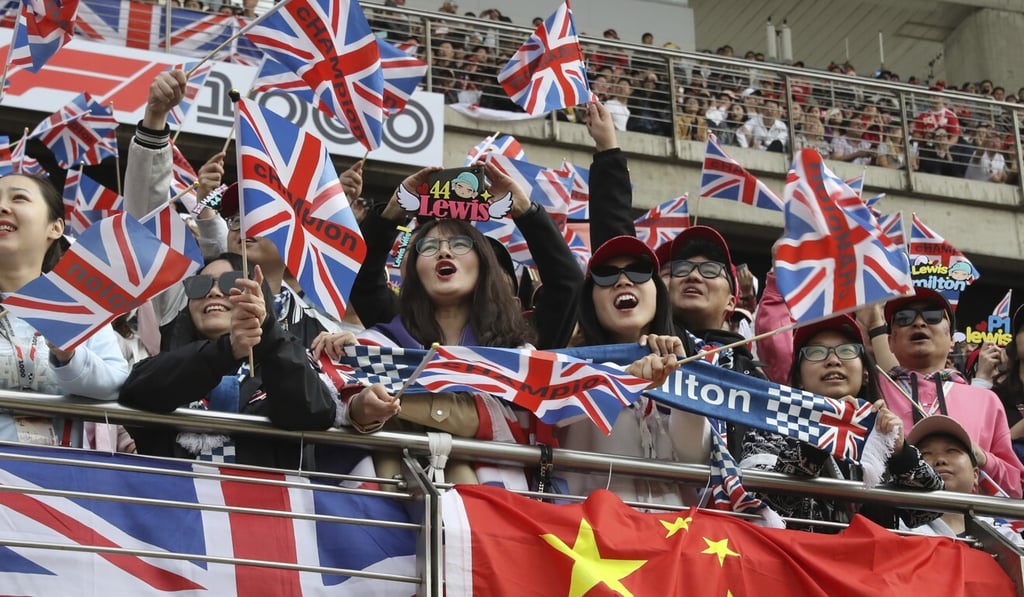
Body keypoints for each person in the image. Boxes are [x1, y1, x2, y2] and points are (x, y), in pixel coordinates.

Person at [119, 254, 340, 466]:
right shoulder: (165, 364)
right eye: (200, 284)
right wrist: (227, 351)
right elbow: (134, 394)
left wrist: (267, 335)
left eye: (229, 283)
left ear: (258, 297)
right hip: (175, 501)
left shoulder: (288, 357)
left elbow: (313, 412)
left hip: (262, 503)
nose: (213, 292)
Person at [741, 315, 943, 530]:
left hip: (875, 561)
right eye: (816, 352)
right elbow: (760, 504)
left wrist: (901, 455)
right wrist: (823, 437)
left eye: (847, 351)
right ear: (798, 377)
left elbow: (929, 512)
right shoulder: (772, 427)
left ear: (865, 373)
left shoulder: (879, 433)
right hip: (797, 558)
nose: (833, 360)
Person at [0, 173, 130, 446]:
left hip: (58, 480)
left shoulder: (78, 307)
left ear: (56, 227)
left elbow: (116, 384)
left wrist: (69, 356)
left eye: (19, 197)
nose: (2, 207)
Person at [862, 287, 1024, 497]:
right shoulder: (872, 390)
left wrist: (981, 457)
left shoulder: (986, 400)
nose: (919, 323)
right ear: (890, 341)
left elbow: (1016, 486)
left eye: (933, 316)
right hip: (889, 522)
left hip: (968, 523)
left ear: (951, 340)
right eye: (904, 318)